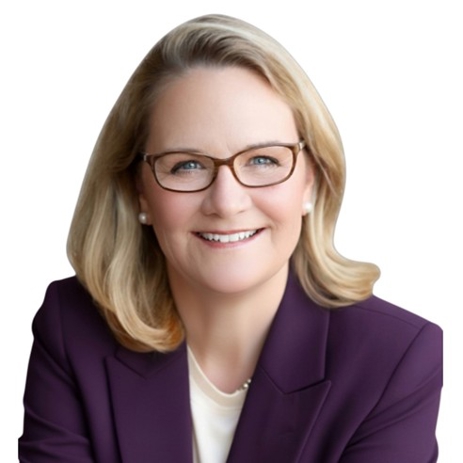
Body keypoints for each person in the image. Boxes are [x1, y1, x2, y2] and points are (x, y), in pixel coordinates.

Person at [19, 14, 442, 463]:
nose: (226, 202)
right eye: (187, 165)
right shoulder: (72, 328)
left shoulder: (394, 358)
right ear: (138, 190)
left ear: (312, 181)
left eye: (262, 160)